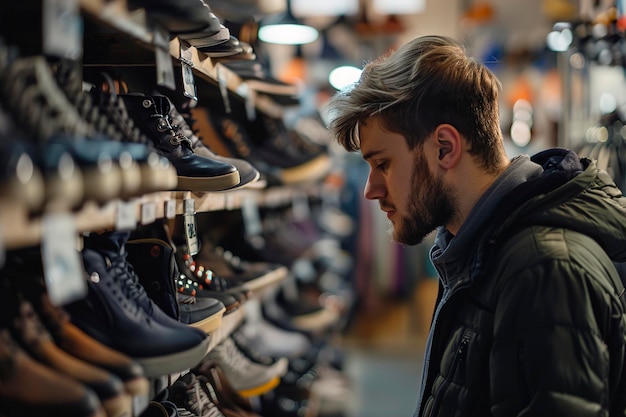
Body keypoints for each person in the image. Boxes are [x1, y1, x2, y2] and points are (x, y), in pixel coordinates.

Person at [326, 34, 626, 417]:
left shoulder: (542, 270)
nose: (370, 190)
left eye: (383, 163)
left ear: (445, 148)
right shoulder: (479, 250)